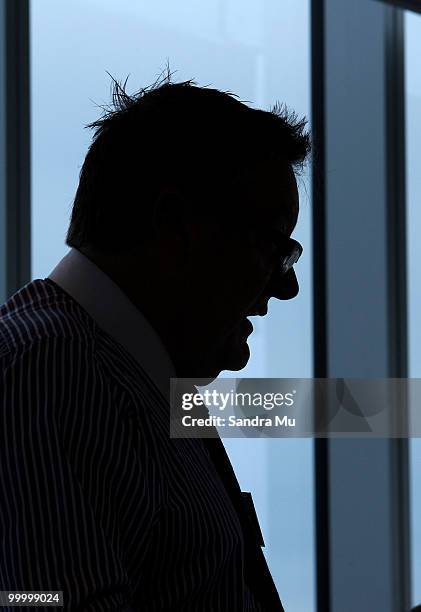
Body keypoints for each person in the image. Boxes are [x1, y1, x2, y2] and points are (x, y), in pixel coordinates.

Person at [0, 70, 310, 610]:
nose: (286, 285)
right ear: (174, 226)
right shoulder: (51, 367)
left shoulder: (118, 378)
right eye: (270, 247)